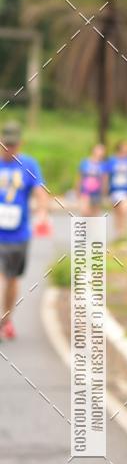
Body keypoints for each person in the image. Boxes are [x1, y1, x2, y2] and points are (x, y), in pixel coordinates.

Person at [0, 120, 49, 339]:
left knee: (12, 279)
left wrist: (42, 214)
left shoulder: (29, 164)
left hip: (19, 235)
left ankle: (6, 320)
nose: (8, 149)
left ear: (20, 143)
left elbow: (40, 191)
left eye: (12, 145)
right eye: (5, 144)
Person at [106, 139, 127, 238]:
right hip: (115, 190)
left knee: (124, 209)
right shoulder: (112, 161)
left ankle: (123, 231)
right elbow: (107, 176)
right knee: (117, 212)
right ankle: (119, 232)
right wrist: (105, 190)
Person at [77, 143, 106, 216]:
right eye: (99, 149)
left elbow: (105, 179)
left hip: (97, 192)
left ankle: (93, 227)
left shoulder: (103, 165)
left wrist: (104, 192)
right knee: (84, 211)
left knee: (95, 214)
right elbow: (79, 177)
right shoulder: (85, 162)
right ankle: (85, 226)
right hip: (85, 191)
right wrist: (77, 189)